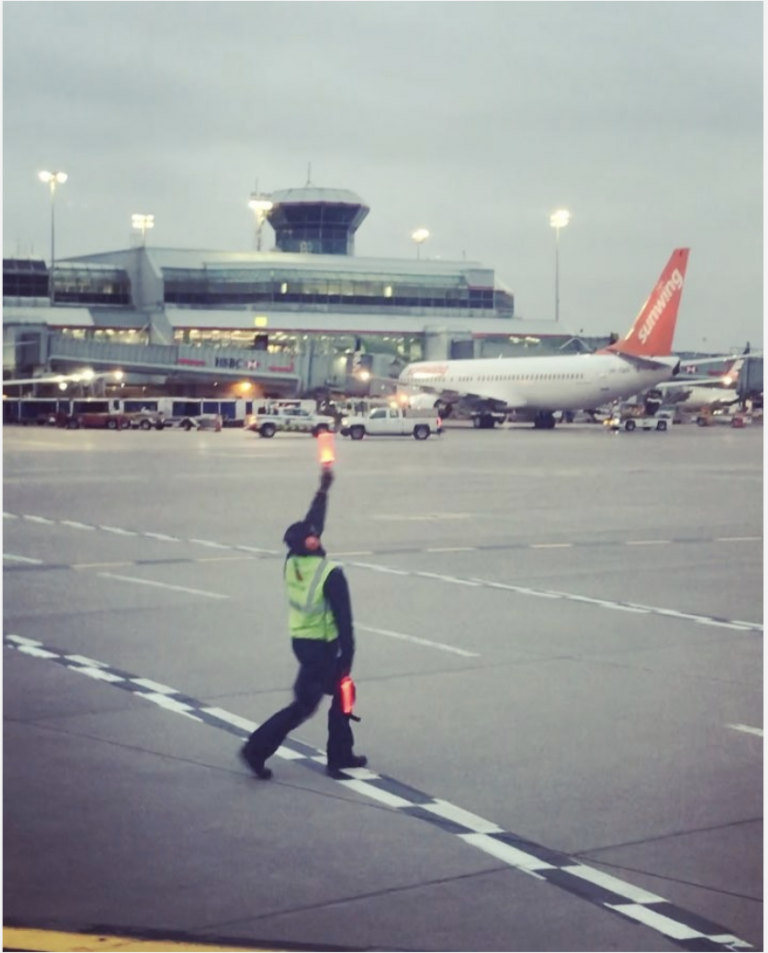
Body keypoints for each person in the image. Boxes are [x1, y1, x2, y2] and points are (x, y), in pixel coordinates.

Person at [240, 467, 367, 780]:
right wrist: (348, 657)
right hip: (323, 648)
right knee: (310, 704)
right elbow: (344, 620)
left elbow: (313, 521)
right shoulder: (329, 574)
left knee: (337, 695)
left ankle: (340, 753)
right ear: (306, 543)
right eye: (311, 536)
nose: (315, 536)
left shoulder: (293, 561)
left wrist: (323, 491)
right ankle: (259, 749)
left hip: (302, 643)